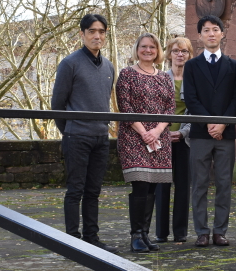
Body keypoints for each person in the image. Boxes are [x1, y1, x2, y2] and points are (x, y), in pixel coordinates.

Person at [51, 13, 119, 254]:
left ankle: (92, 238)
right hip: (76, 136)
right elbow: (57, 105)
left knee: (94, 191)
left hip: (101, 137)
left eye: (101, 31)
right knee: (75, 189)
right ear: (82, 34)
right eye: (91, 31)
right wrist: (70, 130)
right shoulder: (70, 63)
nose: (97, 36)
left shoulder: (109, 66)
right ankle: (72, 241)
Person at [183, 15, 236, 247]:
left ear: (222, 33)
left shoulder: (233, 65)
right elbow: (191, 98)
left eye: (215, 29)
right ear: (200, 36)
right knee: (199, 183)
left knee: (224, 183)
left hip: (226, 134)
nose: (211, 33)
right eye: (206, 30)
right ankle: (201, 231)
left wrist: (223, 124)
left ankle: (220, 230)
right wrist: (209, 123)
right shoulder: (192, 65)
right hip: (200, 133)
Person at [116, 33, 175, 253]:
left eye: (152, 47)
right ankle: (135, 236)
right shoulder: (127, 74)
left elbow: (170, 109)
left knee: (152, 186)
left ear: (158, 50)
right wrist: (144, 133)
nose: (148, 50)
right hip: (134, 136)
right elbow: (126, 106)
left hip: (159, 137)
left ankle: (145, 234)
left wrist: (157, 131)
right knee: (140, 183)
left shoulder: (164, 78)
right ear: (137, 49)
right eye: (143, 46)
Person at [154, 37, 194, 244]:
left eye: (185, 51)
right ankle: (161, 233)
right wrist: (163, 132)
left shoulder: (194, 80)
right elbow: (156, 109)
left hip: (185, 140)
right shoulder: (160, 78)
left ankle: (180, 232)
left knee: (183, 186)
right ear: (169, 54)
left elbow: (195, 110)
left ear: (189, 55)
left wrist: (183, 133)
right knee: (162, 186)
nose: (180, 55)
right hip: (162, 139)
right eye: (176, 51)